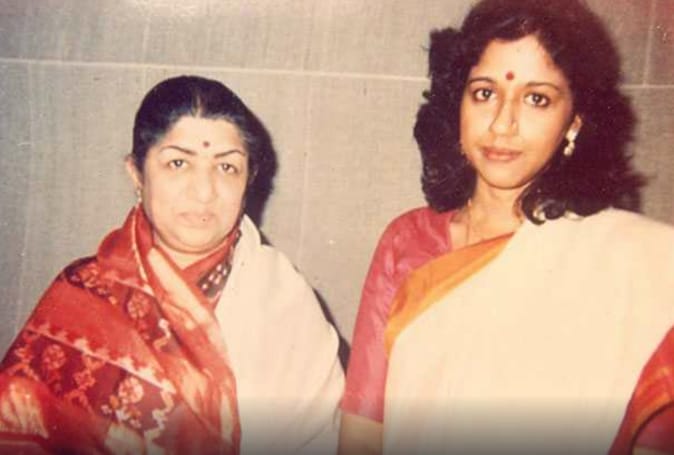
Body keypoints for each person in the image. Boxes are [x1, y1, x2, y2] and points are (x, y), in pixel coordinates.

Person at [338, 1, 674, 454]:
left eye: (537, 99)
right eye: (484, 93)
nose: (502, 123)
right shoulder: (407, 242)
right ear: (457, 103)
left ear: (574, 122)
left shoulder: (633, 267)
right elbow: (362, 437)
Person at [0, 75, 344, 455]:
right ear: (136, 173)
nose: (204, 192)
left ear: (249, 181)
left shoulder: (283, 304)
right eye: (178, 163)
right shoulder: (81, 295)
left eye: (227, 167)